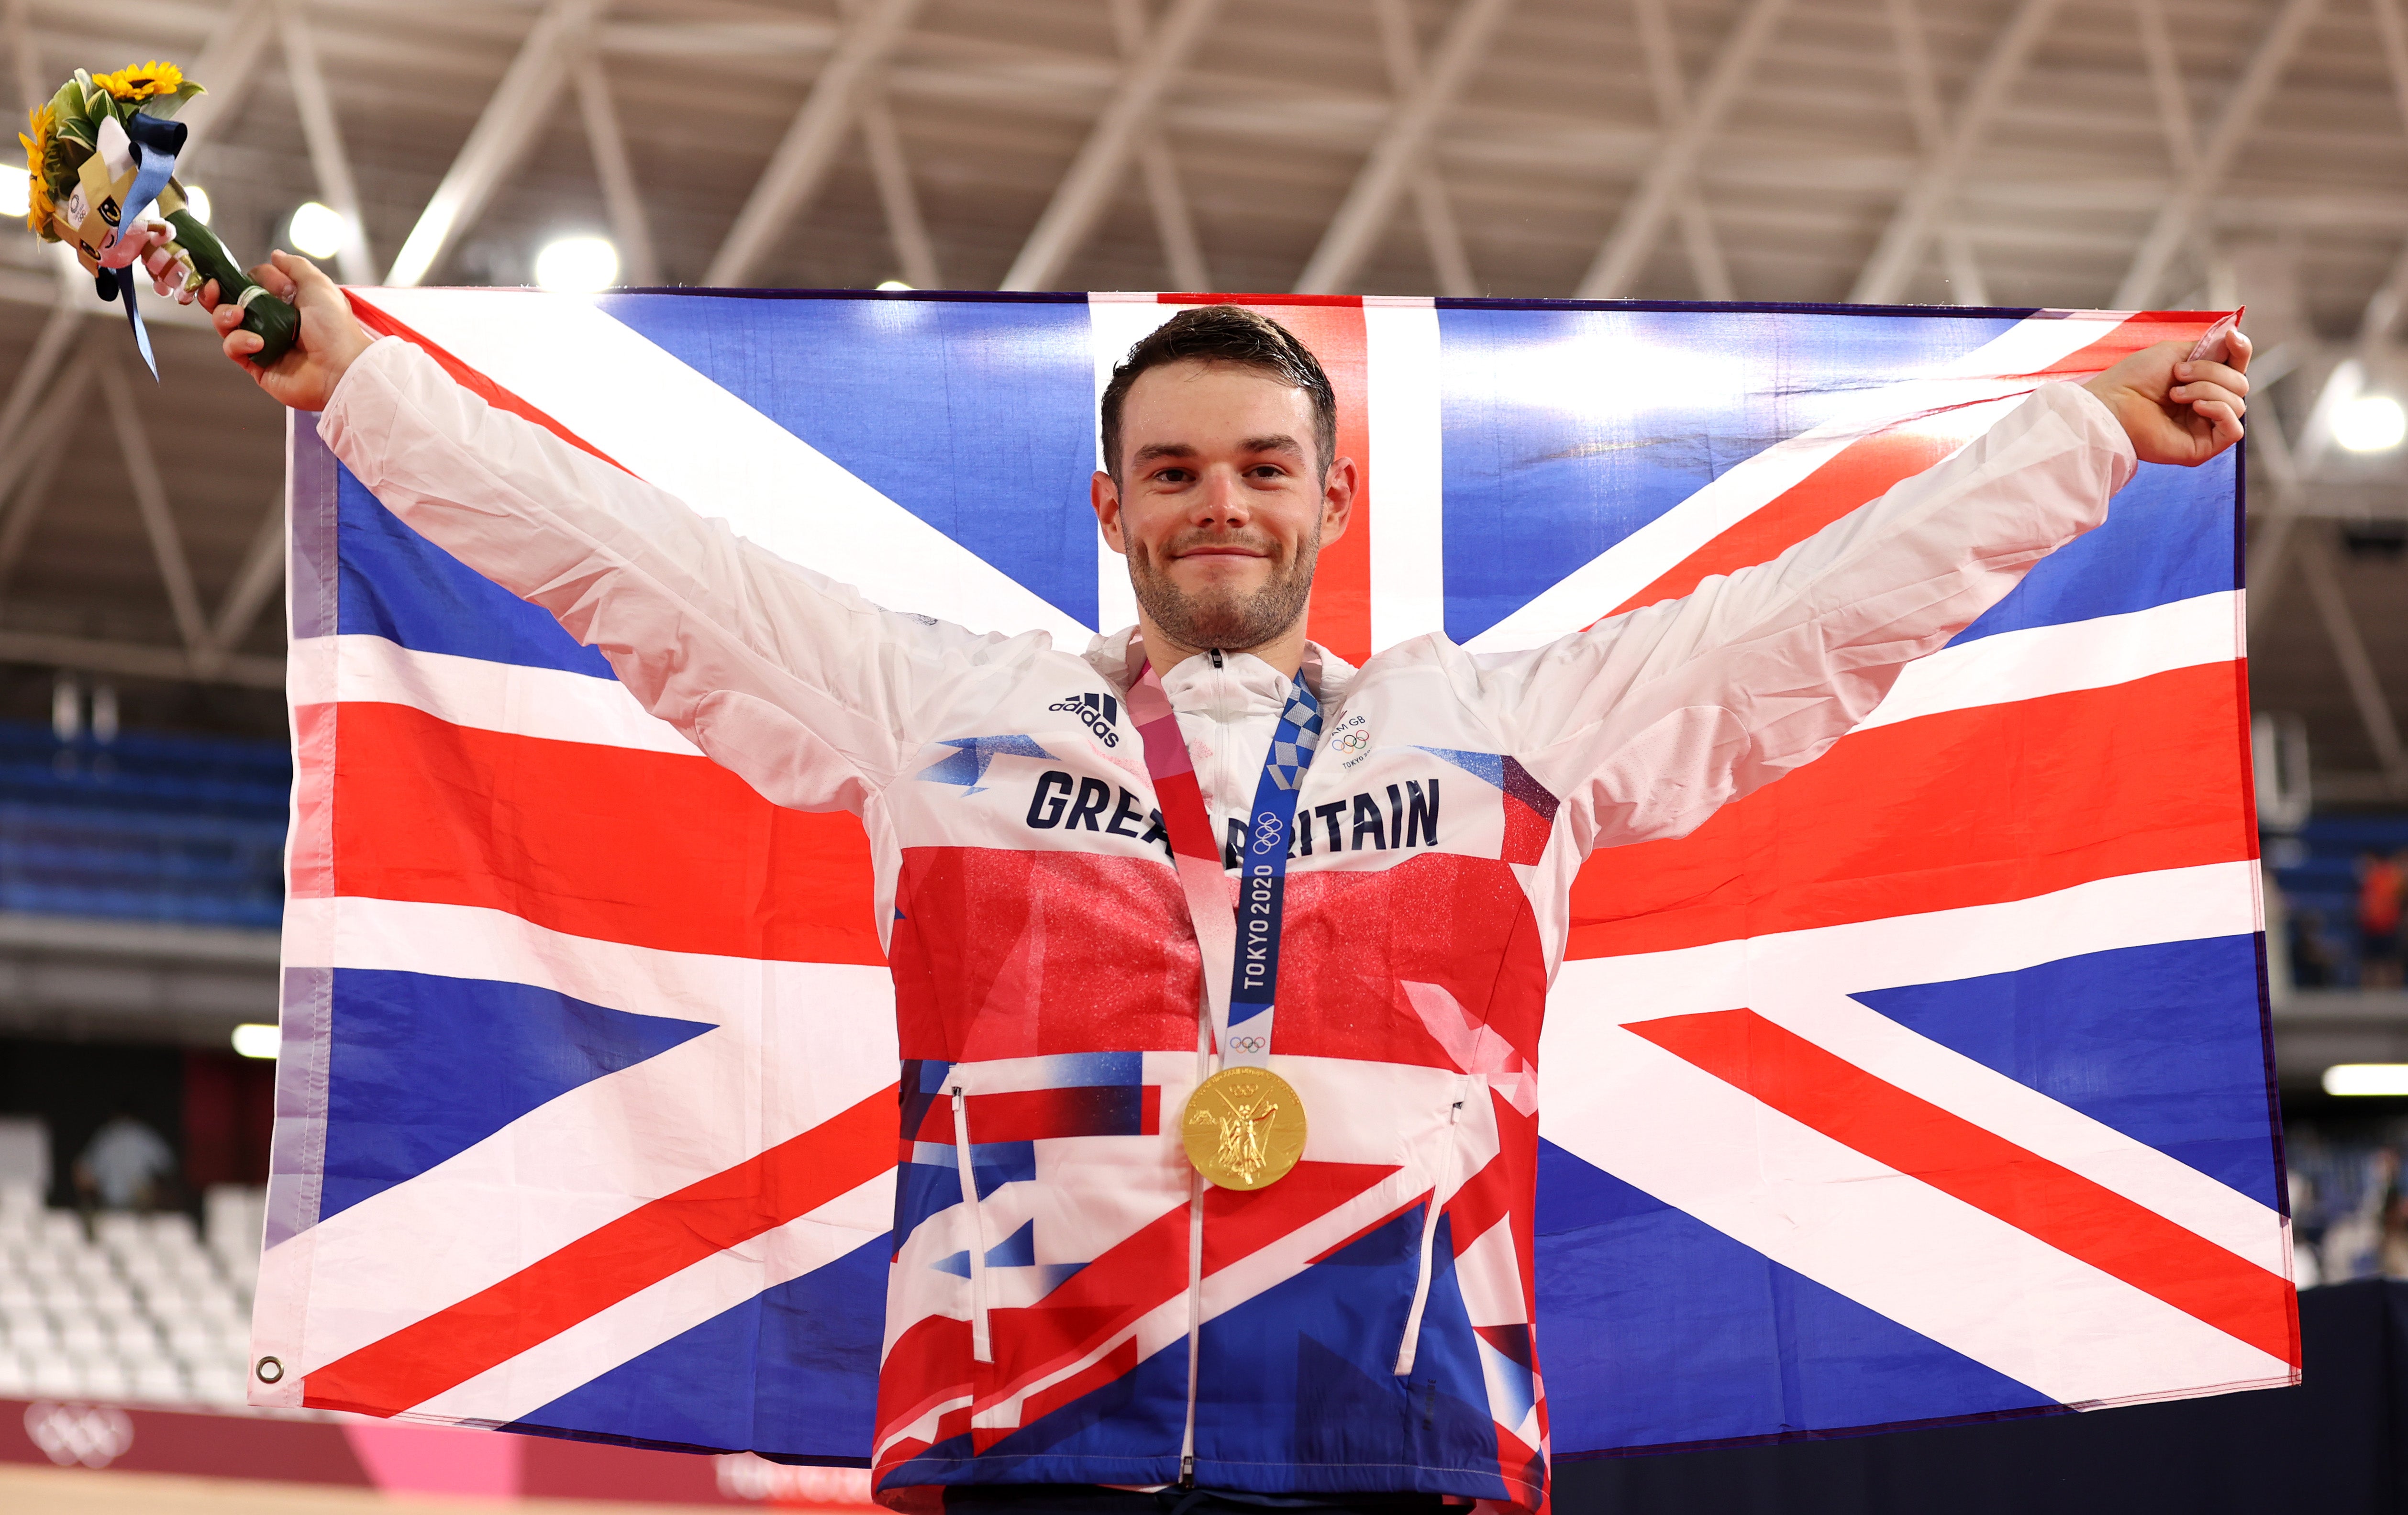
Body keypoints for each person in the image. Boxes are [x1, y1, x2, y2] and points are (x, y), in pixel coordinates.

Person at [195, 250, 2246, 1515]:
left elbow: (1822, 614)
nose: (1219, 506)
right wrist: (363, 381)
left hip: (1412, 1446)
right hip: (1021, 1452)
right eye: (1175, 471)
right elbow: (621, 556)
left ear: (1332, 503)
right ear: (1111, 506)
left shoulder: (1506, 731)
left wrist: (2077, 436)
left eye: (1263, 467)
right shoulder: (935, 711)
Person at [74, 1109, 178, 1213]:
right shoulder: (142, 1133)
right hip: (132, 1204)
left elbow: (82, 1172)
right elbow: (167, 1166)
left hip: (117, 1203)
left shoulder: (107, 1135)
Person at [2359, 849, 2405, 988]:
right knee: (2370, 963)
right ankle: (2370, 995)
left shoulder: (2391, 877)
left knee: (2391, 963)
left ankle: (2392, 993)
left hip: (2389, 927)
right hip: (2371, 928)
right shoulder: (2368, 881)